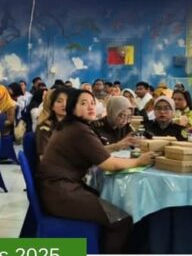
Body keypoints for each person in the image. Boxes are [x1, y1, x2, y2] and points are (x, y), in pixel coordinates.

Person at [36, 89, 154, 254]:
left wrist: (118, 147)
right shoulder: (79, 130)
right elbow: (109, 164)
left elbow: (97, 152)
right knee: (122, 220)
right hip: (61, 193)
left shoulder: (70, 126)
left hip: (55, 189)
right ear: (72, 108)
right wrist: (139, 161)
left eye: (92, 103)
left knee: (109, 203)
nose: (91, 107)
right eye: (83, 103)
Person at [36, 88, 67, 158]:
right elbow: (44, 158)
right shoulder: (44, 128)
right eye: (59, 101)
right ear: (51, 105)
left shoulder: (70, 125)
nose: (64, 104)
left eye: (67, 100)